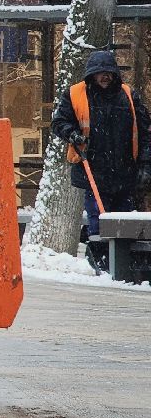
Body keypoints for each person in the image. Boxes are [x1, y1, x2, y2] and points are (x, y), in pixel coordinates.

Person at [50, 50, 151, 271]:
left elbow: (144, 131)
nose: (104, 77)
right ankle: (101, 258)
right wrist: (72, 134)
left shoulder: (128, 95)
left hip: (125, 171)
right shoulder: (75, 94)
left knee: (125, 220)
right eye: (100, 73)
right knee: (98, 217)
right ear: (92, 75)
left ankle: (124, 261)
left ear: (114, 74)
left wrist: (144, 163)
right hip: (93, 170)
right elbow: (59, 122)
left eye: (108, 73)